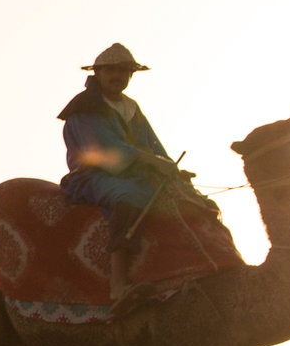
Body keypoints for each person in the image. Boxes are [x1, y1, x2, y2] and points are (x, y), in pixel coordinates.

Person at [56, 43, 209, 301]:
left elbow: (153, 145)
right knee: (128, 197)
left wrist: (171, 169)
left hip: (135, 173)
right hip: (93, 176)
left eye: (124, 71)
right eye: (112, 71)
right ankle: (118, 285)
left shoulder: (131, 107)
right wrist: (151, 161)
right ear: (99, 73)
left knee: (192, 199)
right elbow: (102, 151)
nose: (118, 76)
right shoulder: (85, 107)